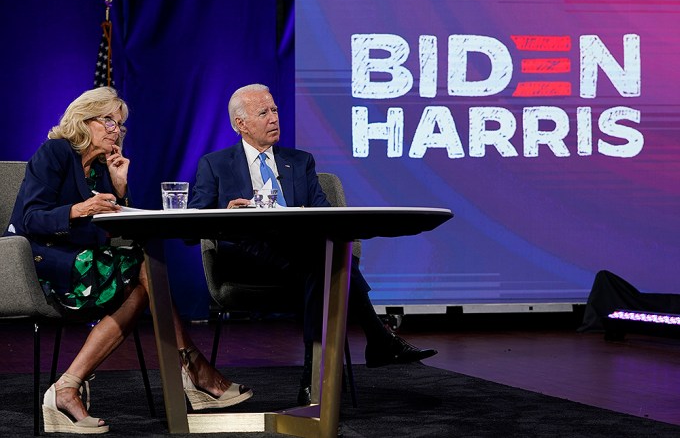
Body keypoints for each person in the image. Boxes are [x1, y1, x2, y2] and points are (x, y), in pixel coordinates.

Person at [4, 87, 252, 434]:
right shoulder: (55, 153)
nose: (115, 130)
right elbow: (30, 219)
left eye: (120, 125)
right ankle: (194, 367)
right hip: (43, 264)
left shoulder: (106, 167)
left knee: (142, 278)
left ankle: (67, 387)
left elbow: (120, 230)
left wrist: (120, 188)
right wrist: (80, 209)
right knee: (146, 268)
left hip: (85, 262)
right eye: (107, 121)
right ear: (83, 121)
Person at [188, 83, 437, 405]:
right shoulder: (215, 164)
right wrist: (226, 213)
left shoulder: (300, 161)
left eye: (275, 110)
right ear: (241, 124)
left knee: (321, 263)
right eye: (263, 113)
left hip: (301, 256)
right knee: (330, 263)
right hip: (247, 259)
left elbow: (326, 215)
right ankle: (378, 337)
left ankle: (314, 379)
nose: (274, 118)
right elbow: (193, 222)